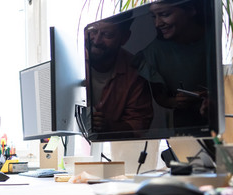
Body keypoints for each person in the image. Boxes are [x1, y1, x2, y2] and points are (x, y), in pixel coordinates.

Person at [134, 0, 208, 128]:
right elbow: (161, 98)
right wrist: (176, 102)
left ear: (190, 10)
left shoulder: (221, 38)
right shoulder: (152, 52)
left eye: (164, 14)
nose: (157, 23)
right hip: (186, 128)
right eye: (153, 16)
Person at [85, 12, 153, 136]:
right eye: (92, 31)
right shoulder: (70, 61)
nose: (97, 40)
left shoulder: (135, 71)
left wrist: (109, 127)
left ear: (125, 38)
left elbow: (139, 124)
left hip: (112, 148)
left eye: (107, 35)